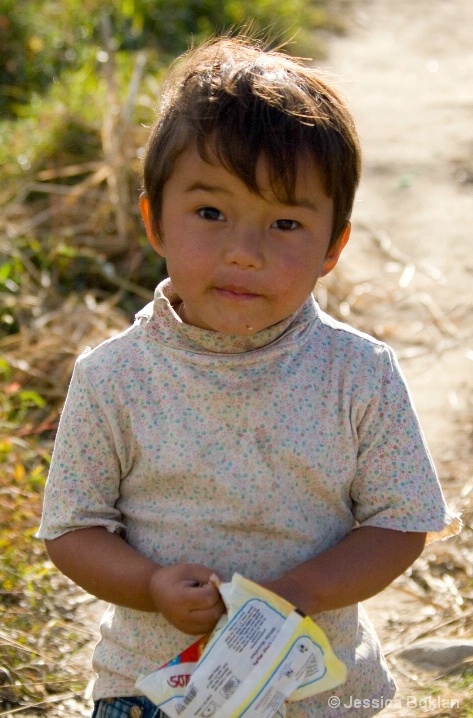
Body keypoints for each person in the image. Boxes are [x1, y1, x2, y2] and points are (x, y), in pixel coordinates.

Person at [38, 35, 460, 718]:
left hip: (318, 693)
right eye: (210, 213)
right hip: (152, 690)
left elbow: (399, 521)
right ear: (154, 221)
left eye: (286, 222)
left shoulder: (357, 374)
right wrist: (150, 586)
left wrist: (298, 594)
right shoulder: (113, 378)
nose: (244, 252)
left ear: (332, 248)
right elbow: (72, 529)